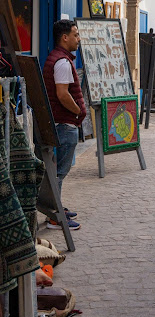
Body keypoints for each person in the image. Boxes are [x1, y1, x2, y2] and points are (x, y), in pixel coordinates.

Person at [42, 20, 87, 230]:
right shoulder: (62, 62)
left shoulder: (58, 59)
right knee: (60, 171)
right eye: (75, 35)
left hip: (60, 122)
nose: (78, 39)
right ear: (65, 37)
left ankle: (57, 208)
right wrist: (78, 111)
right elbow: (62, 94)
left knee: (57, 171)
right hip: (64, 123)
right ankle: (55, 217)